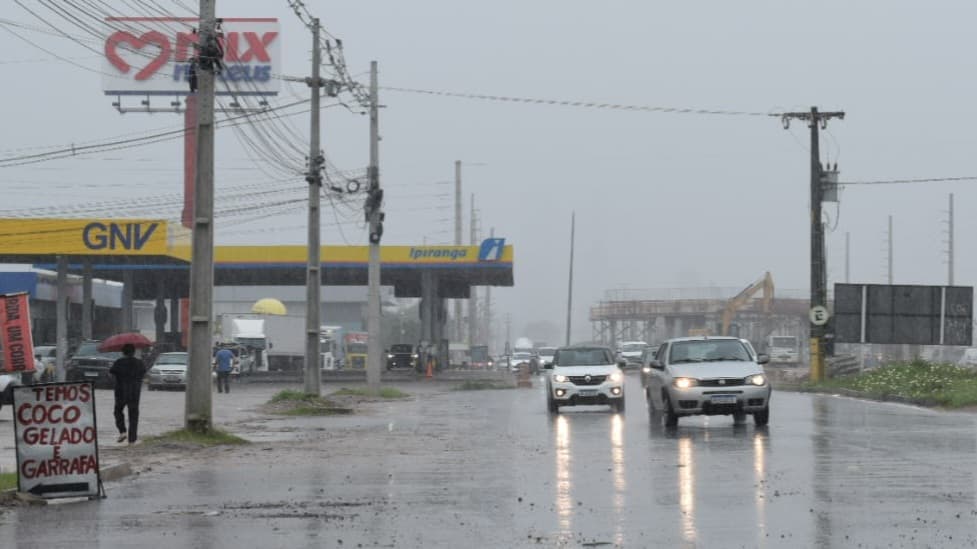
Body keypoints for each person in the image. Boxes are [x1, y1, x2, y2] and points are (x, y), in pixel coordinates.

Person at [109, 343, 146, 445]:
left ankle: (122, 431)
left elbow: (111, 373)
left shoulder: (119, 362)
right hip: (134, 392)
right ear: (134, 352)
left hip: (121, 392)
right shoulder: (139, 363)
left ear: (123, 352)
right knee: (133, 415)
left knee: (118, 411)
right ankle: (132, 440)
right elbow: (143, 373)